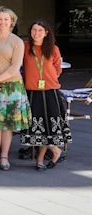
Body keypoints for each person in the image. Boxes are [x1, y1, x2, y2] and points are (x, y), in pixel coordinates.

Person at [0, 7, 30, 171]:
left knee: (7, 125)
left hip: (11, 87)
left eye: (6, 19)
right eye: (0, 19)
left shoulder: (17, 41)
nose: (2, 22)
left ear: (12, 21)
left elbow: (15, 67)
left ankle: (4, 156)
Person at [20, 21, 71, 171]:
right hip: (32, 92)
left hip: (50, 92)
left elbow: (58, 69)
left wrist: (48, 77)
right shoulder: (25, 46)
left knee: (48, 126)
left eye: (40, 30)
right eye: (34, 30)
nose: (36, 33)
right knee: (37, 126)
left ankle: (41, 159)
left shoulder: (53, 48)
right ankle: (55, 151)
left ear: (46, 33)